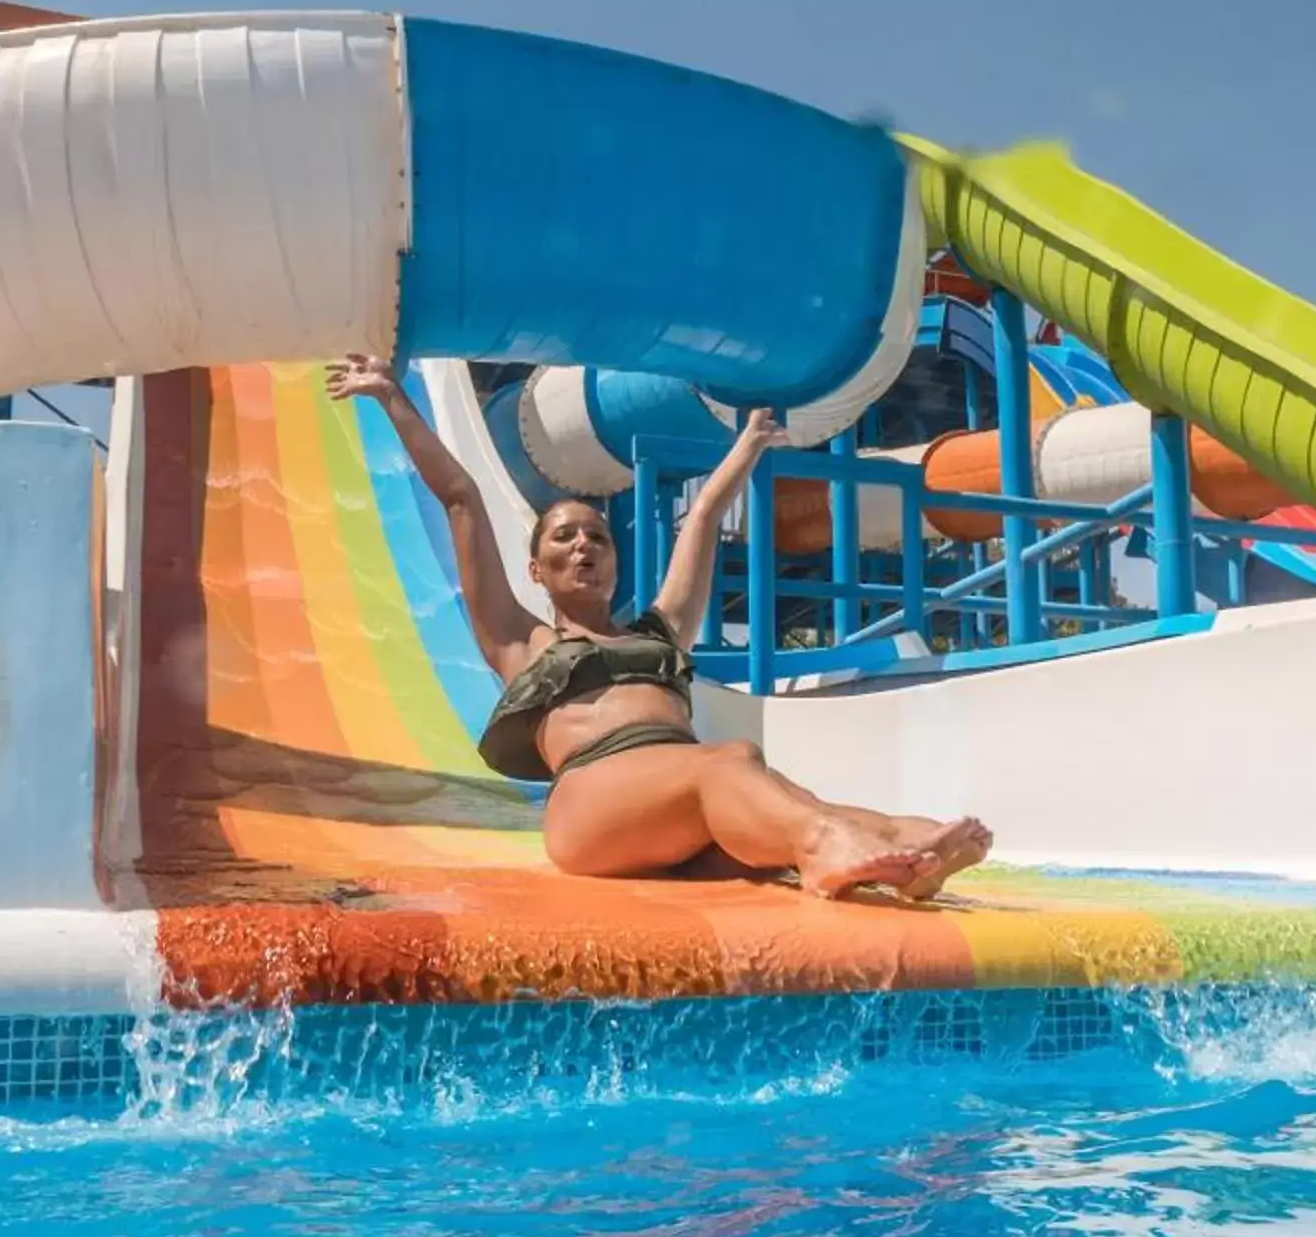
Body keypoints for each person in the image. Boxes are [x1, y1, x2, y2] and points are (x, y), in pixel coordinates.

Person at [327, 353, 993, 900]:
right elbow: (462, 498)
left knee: (796, 796)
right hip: (593, 807)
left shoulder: (659, 631)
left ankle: (914, 844)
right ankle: (827, 853)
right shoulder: (521, 641)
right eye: (564, 539)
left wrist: (751, 444)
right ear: (536, 569)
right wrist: (392, 398)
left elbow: (701, 518)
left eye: (596, 537)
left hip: (678, 810)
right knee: (733, 762)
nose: (584, 546)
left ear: (615, 561)